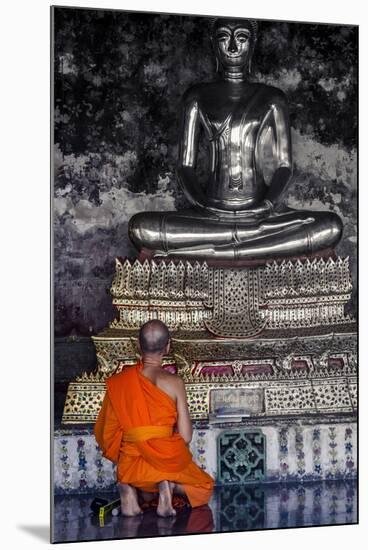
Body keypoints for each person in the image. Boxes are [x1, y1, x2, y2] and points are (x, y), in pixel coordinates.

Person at [128, 18, 342, 260]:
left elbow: (285, 166)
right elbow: (185, 167)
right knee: (140, 227)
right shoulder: (197, 96)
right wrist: (204, 205)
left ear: (253, 43)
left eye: (241, 38)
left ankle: (227, 247)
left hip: (261, 212)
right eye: (223, 38)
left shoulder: (272, 98)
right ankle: (246, 244)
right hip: (210, 213)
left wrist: (267, 206)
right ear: (213, 43)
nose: (232, 47)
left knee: (331, 226)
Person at [93, 320, 215, 517]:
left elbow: (107, 433)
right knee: (203, 488)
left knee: (145, 492)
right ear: (168, 346)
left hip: (130, 466)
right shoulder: (175, 382)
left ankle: (128, 488)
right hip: (166, 459)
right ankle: (169, 486)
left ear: (138, 345)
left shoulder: (121, 383)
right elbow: (185, 436)